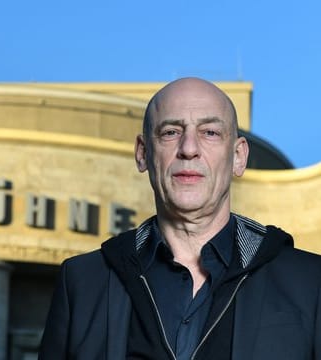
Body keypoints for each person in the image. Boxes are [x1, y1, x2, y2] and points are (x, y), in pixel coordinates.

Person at [39, 77, 321, 359]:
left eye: (210, 132)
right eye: (170, 132)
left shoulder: (309, 281)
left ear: (238, 157)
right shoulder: (82, 282)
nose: (188, 148)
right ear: (143, 154)